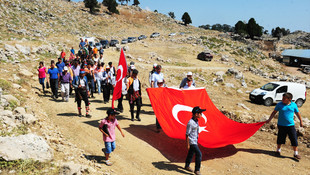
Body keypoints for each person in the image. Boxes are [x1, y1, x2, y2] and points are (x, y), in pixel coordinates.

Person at [266, 92, 303, 159]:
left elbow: (298, 113)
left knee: (294, 138)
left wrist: (301, 121)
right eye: (282, 98)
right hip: (281, 125)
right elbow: (274, 112)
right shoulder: (279, 104)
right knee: (280, 138)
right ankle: (278, 150)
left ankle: (296, 153)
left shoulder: (294, 105)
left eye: (284, 98)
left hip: (290, 125)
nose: (282, 99)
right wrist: (269, 119)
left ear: (289, 99)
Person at [185, 106, 205, 175]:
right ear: (196, 114)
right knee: (199, 154)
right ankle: (197, 170)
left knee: (191, 153)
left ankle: (187, 165)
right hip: (192, 142)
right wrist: (188, 144)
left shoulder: (196, 121)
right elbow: (187, 134)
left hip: (194, 141)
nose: (201, 114)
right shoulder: (190, 123)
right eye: (200, 113)